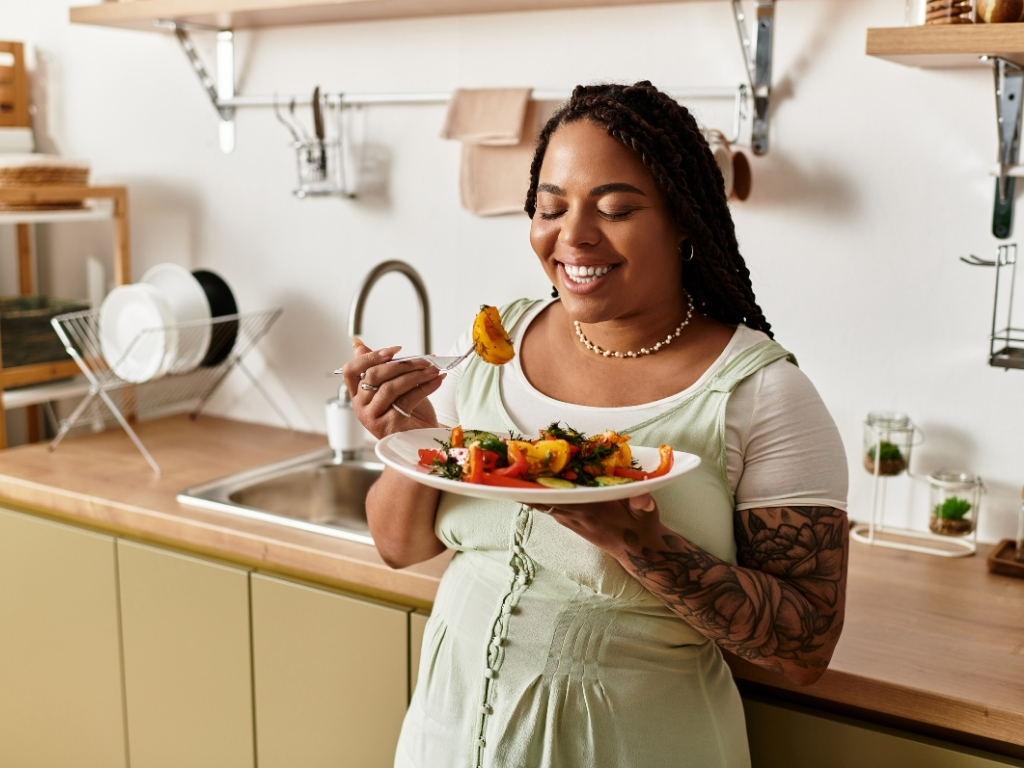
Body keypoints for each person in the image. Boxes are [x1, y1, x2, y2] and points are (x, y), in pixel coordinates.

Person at [341, 81, 849, 768]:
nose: (572, 236)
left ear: (684, 221)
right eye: (550, 208)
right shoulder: (501, 341)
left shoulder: (763, 394)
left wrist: (642, 545)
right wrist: (413, 435)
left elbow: (806, 646)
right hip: (446, 739)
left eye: (613, 209)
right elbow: (398, 545)